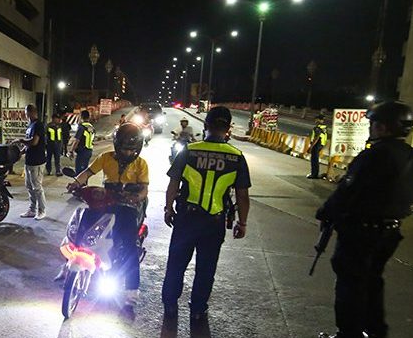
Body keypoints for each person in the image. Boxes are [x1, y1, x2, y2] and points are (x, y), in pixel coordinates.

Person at [316, 101, 413, 338]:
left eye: (373, 124)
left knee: (350, 282)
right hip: (391, 231)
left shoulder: (374, 155)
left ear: (384, 127)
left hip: (361, 230)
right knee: (373, 279)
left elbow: (347, 189)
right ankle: (375, 330)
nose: (371, 128)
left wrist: (326, 212)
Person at [162, 106, 251, 322]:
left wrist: (168, 208)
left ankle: (170, 305)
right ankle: (198, 309)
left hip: (187, 218)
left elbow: (174, 183)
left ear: (206, 125)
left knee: (176, 263)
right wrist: (242, 223)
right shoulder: (237, 157)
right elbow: (242, 195)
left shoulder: (189, 151)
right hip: (214, 221)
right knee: (206, 268)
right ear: (228, 129)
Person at [67, 123, 149, 318]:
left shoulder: (141, 164)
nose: (128, 152)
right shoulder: (105, 158)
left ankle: (131, 292)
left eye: (132, 149)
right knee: (84, 226)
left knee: (128, 246)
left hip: (128, 206)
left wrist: (136, 197)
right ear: (117, 145)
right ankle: (71, 267)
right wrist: (76, 183)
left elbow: (144, 188)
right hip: (106, 201)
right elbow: (87, 173)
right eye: (124, 148)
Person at [16, 104, 47, 220]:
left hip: (37, 161)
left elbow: (34, 142)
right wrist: (21, 152)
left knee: (37, 188)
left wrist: (20, 140)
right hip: (29, 161)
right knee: (29, 186)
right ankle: (32, 210)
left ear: (33, 112)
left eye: (27, 113)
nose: (26, 115)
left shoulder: (38, 125)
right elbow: (29, 144)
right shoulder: (31, 125)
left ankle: (42, 211)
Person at [308, 114, 328, 179]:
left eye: (316, 119)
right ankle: (315, 173)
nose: (315, 120)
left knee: (314, 160)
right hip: (321, 144)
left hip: (316, 144)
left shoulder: (317, 128)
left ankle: (314, 174)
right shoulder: (324, 127)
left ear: (319, 119)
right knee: (315, 159)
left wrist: (311, 147)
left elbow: (316, 138)